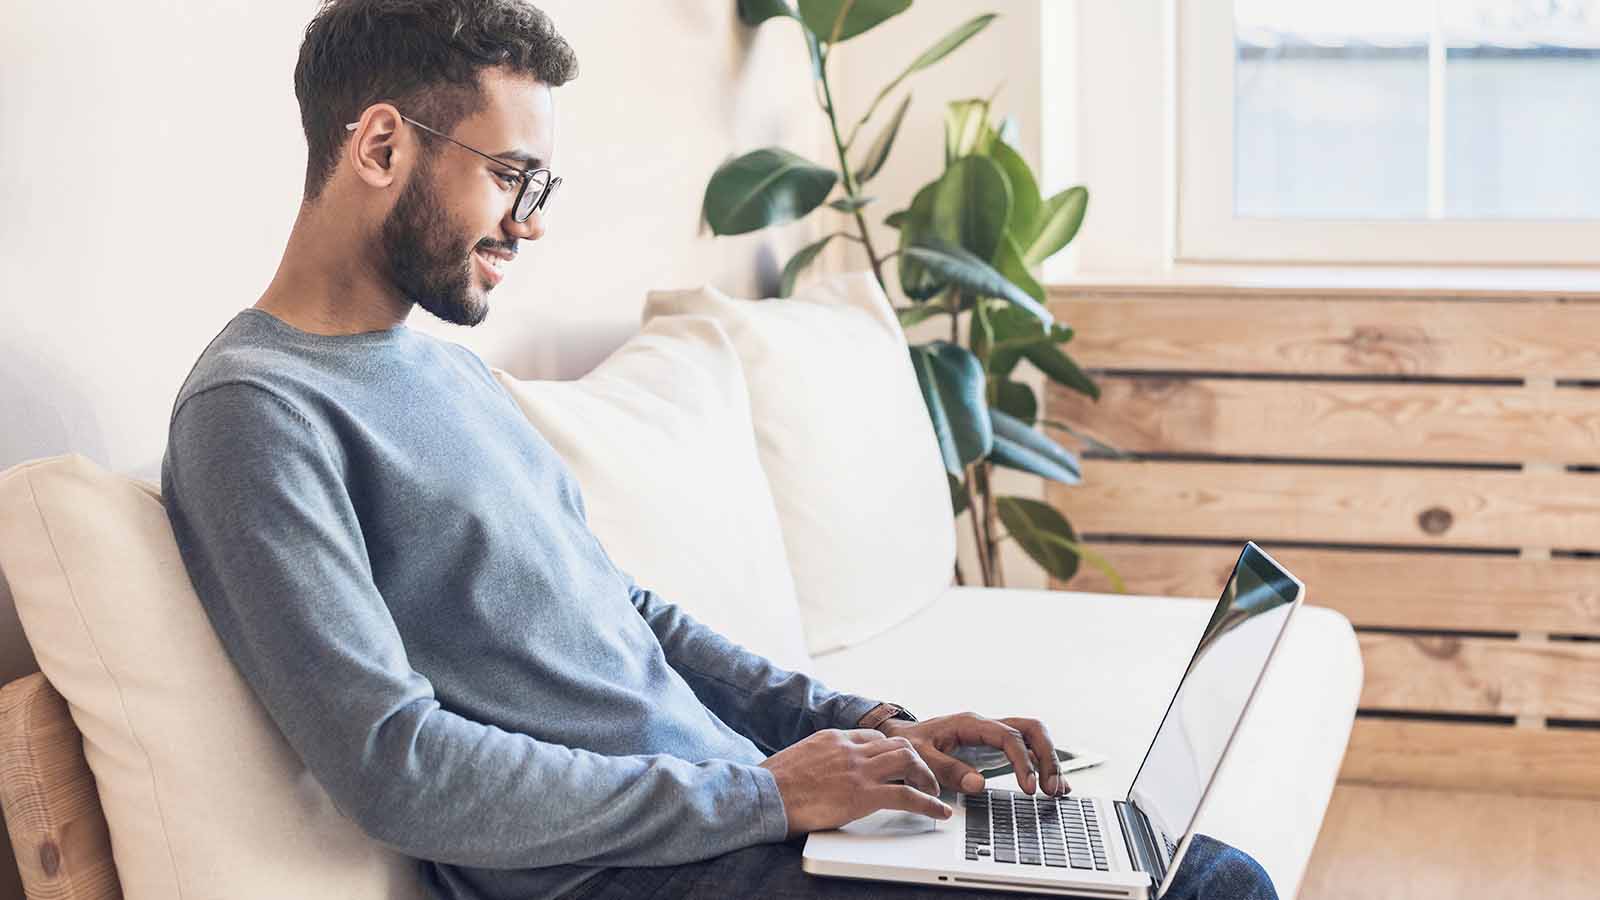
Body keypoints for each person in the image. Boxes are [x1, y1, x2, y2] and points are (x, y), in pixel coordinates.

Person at [158, 2, 1279, 899]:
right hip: (634, 870)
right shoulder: (256, 413)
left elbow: (626, 612)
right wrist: (768, 797)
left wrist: (857, 728)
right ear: (382, 144)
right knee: (1209, 887)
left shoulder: (442, 365)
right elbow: (397, 766)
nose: (531, 222)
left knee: (1173, 863)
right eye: (511, 175)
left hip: (740, 823)